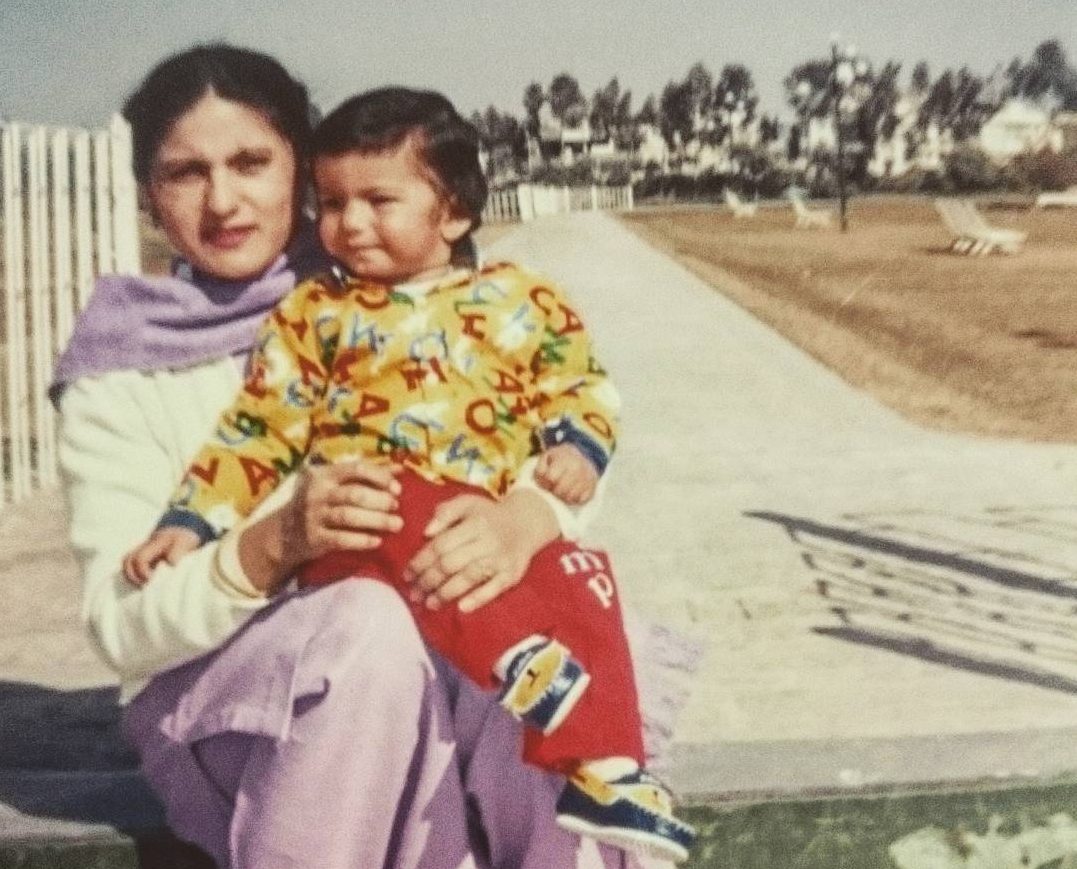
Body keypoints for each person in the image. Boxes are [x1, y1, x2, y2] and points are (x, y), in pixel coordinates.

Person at [52, 44, 693, 869]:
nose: (222, 200)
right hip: (230, 699)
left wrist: (524, 516)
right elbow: (121, 627)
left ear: (299, 167)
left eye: (251, 162)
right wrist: (269, 543)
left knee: (547, 641)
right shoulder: (122, 364)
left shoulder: (400, 294)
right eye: (185, 172)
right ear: (147, 193)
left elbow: (540, 426)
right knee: (368, 625)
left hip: (437, 661)